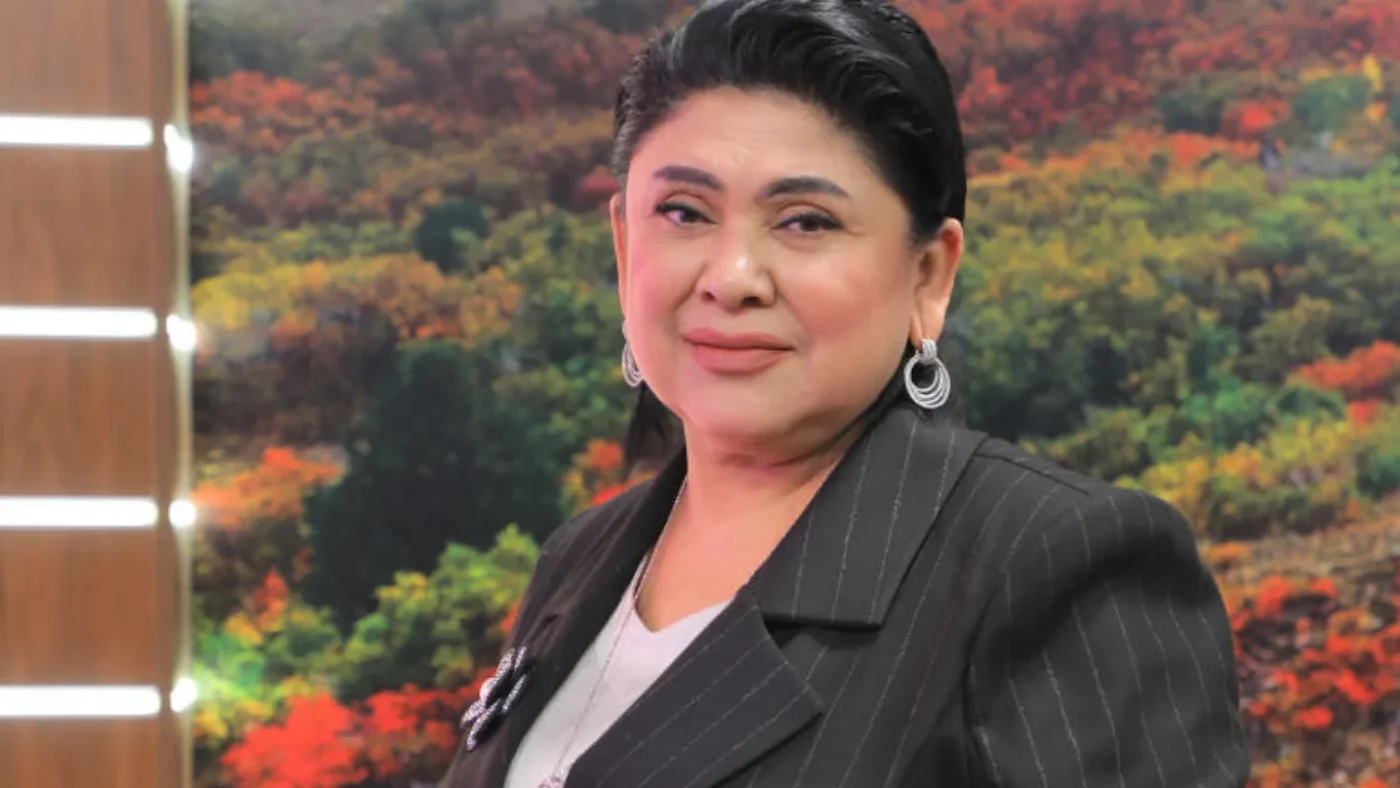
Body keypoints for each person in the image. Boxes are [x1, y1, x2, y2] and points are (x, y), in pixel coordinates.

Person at [439, 1, 1249, 786]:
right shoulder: (581, 556)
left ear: (928, 276)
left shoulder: (1050, 568)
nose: (732, 278)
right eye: (683, 213)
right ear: (624, 248)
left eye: (805, 222)